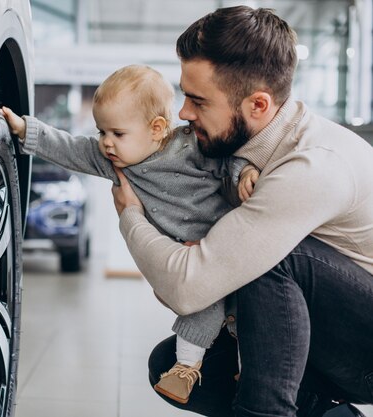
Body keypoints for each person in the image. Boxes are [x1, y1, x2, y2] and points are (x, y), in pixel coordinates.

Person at [110, 6, 373, 417]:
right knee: (172, 366)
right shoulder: (240, 155)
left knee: (269, 258)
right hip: (328, 334)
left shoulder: (311, 166)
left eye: (198, 100)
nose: (183, 113)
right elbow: (188, 290)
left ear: (258, 105)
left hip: (365, 352)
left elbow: (186, 287)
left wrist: (131, 218)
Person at [0, 64, 259, 403]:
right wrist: (25, 130)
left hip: (224, 244)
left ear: (156, 129)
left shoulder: (188, 147)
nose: (106, 143)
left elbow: (228, 159)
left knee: (249, 312)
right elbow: (70, 149)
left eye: (117, 134)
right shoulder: (111, 160)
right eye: (101, 132)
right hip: (187, 261)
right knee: (200, 308)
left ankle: (252, 372)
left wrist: (244, 174)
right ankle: (185, 368)